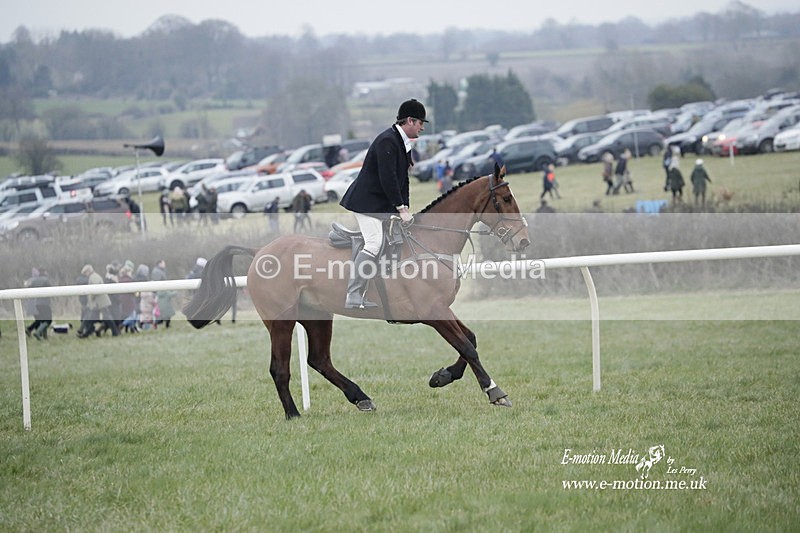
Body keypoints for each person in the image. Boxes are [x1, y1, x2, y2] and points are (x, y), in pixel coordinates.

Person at [339, 98, 425, 309]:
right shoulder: (388, 141)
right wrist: (401, 208)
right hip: (365, 203)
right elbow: (388, 179)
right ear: (410, 121)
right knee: (375, 242)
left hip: (378, 204)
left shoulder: (401, 142)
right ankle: (354, 293)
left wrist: (406, 208)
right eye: (421, 122)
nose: (422, 127)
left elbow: (402, 181)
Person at [78, 264, 120, 338]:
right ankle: (86, 333)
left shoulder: (93, 277)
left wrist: (91, 298)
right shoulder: (94, 276)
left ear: (88, 271)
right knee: (95, 317)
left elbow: (95, 289)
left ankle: (115, 332)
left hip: (99, 301)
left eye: (85, 273)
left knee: (106, 317)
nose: (85, 275)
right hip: (99, 301)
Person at [25, 268, 52, 340]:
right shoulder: (46, 280)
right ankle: (38, 332)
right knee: (48, 320)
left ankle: (44, 336)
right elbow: (51, 290)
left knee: (41, 320)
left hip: (36, 303)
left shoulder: (33, 280)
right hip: (45, 303)